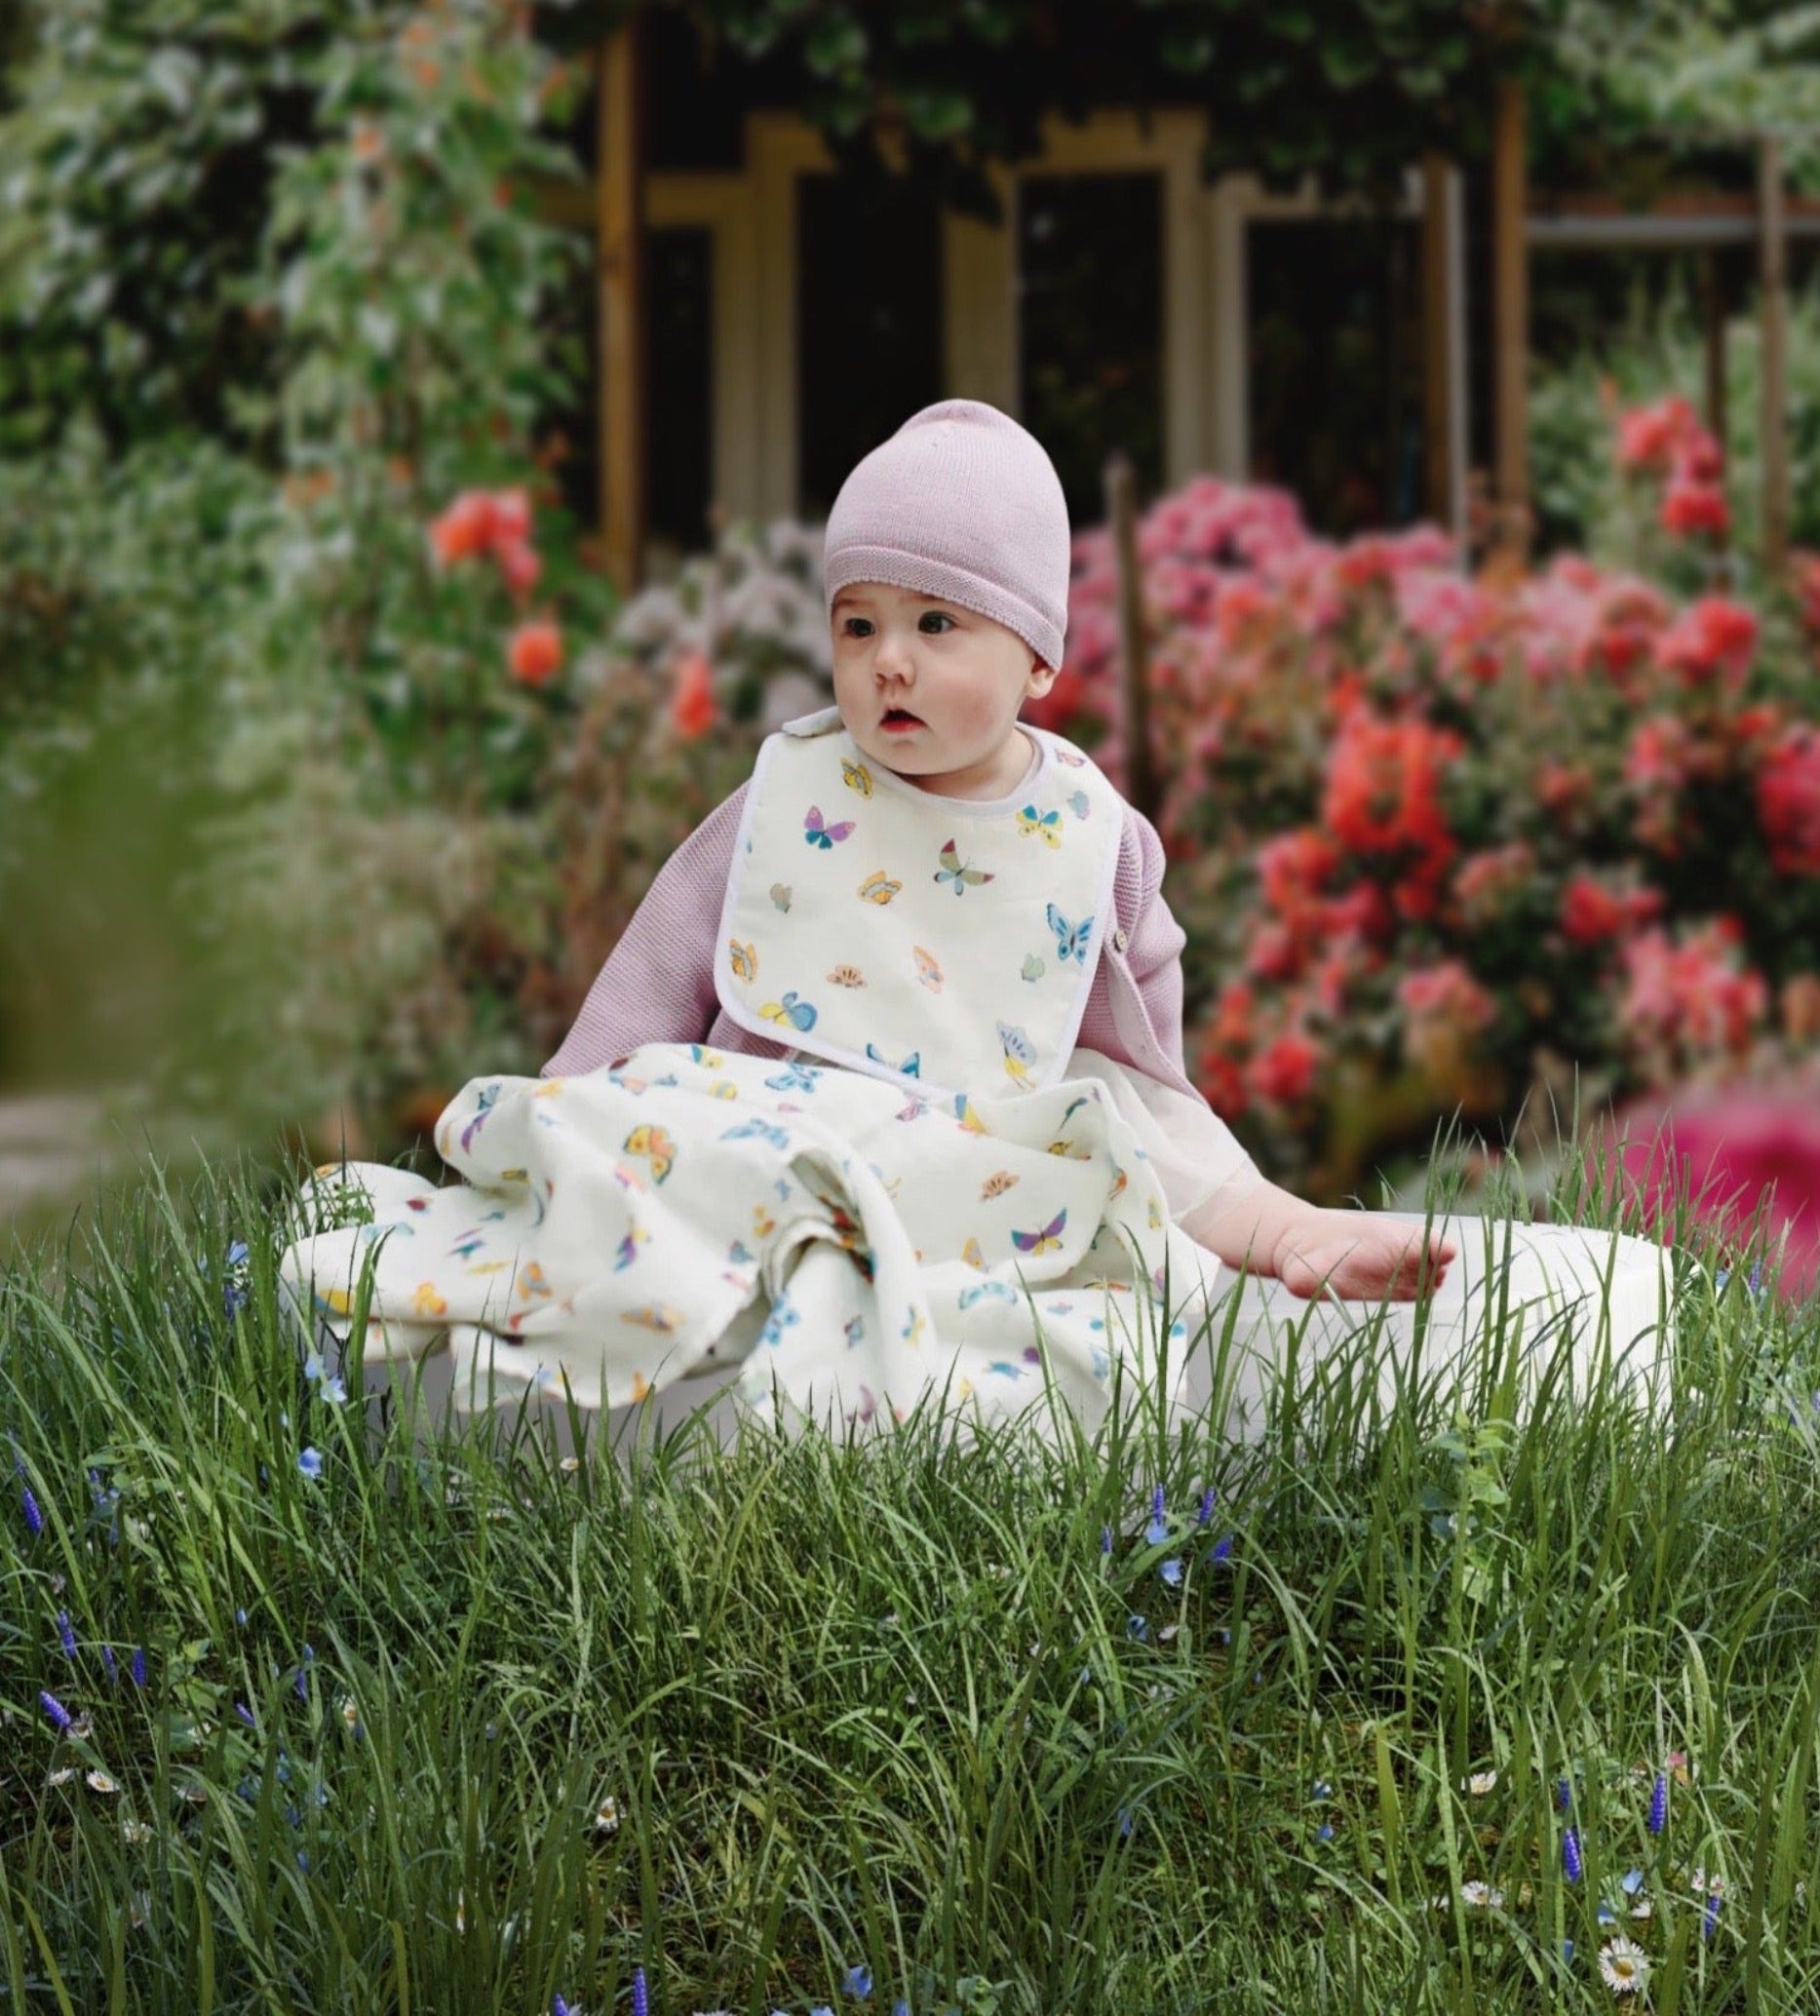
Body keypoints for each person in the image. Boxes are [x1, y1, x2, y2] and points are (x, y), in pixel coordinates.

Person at [283, 401, 1669, 1437]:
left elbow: (1142, 1100)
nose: (889, 659)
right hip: (759, 1150)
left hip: (961, 1169)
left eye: (939, 624)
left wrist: (1269, 1223)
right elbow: (638, 1004)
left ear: (1040, 657)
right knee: (641, 1147)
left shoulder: (1088, 844)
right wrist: (551, 1144)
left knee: (1100, 1203)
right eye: (859, 623)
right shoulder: (788, 799)